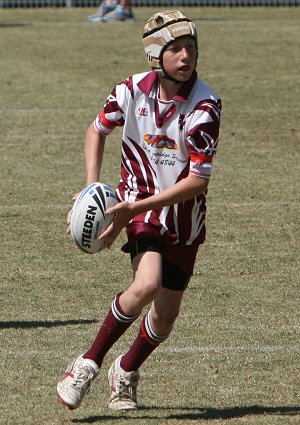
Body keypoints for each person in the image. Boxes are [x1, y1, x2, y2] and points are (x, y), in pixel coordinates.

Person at [57, 9, 221, 412]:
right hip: (139, 207)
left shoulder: (206, 106)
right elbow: (98, 129)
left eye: (192, 49)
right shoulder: (129, 90)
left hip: (182, 218)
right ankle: (86, 365)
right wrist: (94, 188)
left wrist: (135, 207)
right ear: (155, 55)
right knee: (146, 285)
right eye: (177, 49)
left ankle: (125, 371)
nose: (187, 57)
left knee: (165, 317)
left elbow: (198, 181)